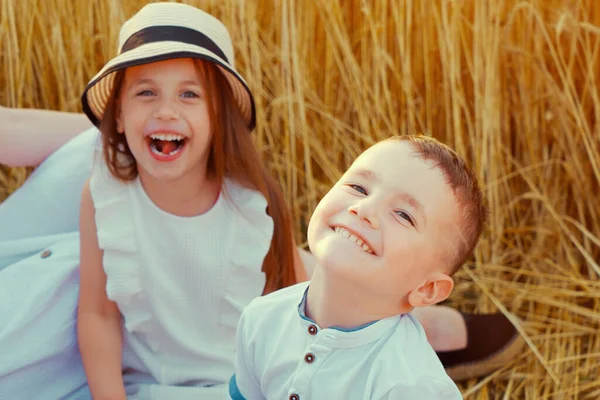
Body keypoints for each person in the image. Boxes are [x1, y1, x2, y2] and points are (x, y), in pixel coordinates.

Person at [0, 5, 524, 400]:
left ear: (219, 118)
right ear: (117, 113)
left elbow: (304, 297)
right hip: (147, 381)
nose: (165, 111)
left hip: (227, 373)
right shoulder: (104, 195)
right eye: (143, 94)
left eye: (189, 94)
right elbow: (97, 310)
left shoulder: (249, 205)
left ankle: (406, 333)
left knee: (335, 297)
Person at [229, 135, 482, 400]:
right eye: (358, 188)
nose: (363, 209)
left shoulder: (409, 385)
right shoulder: (260, 319)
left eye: (403, 215)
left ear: (427, 288)